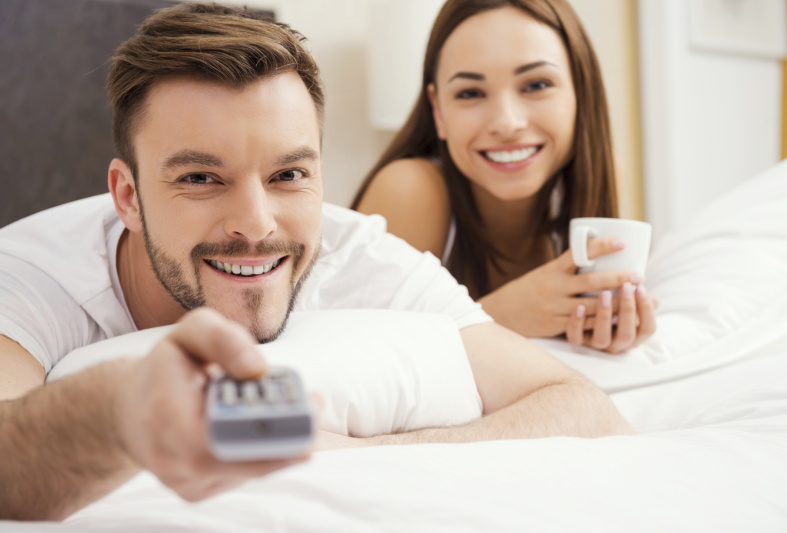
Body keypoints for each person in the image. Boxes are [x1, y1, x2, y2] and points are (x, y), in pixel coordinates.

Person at [0, 2, 633, 521]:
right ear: (128, 197)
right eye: (200, 177)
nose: (256, 223)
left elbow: (581, 406)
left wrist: (359, 453)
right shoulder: (33, 276)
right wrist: (121, 407)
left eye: (288, 174)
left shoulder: (357, 253)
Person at [352, 0, 658, 353]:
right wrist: (495, 317)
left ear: (579, 90)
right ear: (438, 110)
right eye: (470, 92)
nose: (507, 123)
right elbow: (366, 358)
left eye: (536, 84)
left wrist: (607, 331)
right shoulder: (410, 189)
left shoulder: (598, 177)